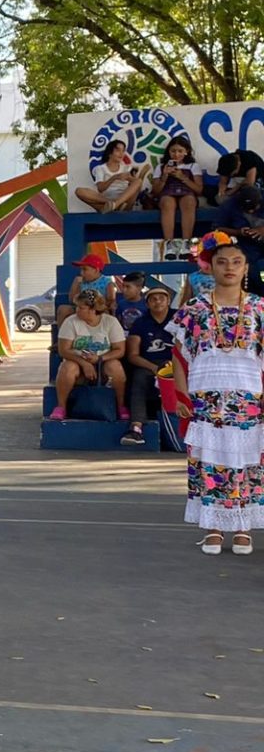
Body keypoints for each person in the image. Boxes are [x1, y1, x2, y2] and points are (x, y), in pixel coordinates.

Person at [168, 234, 264, 554]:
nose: (229, 268)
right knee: (209, 460)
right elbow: (178, 355)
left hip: (249, 397)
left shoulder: (259, 307)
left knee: (246, 460)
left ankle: (242, 527)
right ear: (210, 267)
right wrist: (181, 396)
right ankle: (213, 526)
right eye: (222, 262)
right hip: (204, 397)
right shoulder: (194, 308)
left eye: (237, 262)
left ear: (246, 267)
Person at [49, 291, 129, 422]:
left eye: (81, 308)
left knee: (116, 367)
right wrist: (84, 363)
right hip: (78, 363)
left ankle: (121, 406)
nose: (77, 310)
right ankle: (61, 406)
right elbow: (64, 350)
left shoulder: (110, 322)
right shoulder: (71, 322)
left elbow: (120, 350)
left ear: (93, 309)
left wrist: (100, 359)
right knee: (67, 367)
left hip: (103, 363)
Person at [123, 284, 176, 446]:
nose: (158, 302)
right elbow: (132, 355)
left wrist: (174, 367)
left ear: (168, 301)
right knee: (138, 380)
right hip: (148, 364)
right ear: (147, 304)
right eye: (153, 299)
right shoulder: (141, 323)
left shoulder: (179, 318)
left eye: (162, 298)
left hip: (176, 364)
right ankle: (136, 428)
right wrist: (154, 368)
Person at [149, 137, 203, 258]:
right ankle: (169, 244)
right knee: (167, 203)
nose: (176, 154)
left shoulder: (193, 166)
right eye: (173, 151)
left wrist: (182, 177)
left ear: (186, 151)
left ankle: (186, 243)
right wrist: (164, 176)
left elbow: (199, 190)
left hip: (187, 193)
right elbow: (156, 191)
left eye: (180, 151)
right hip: (167, 194)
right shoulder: (161, 167)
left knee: (189, 202)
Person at [214, 184, 264, 294]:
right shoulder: (229, 205)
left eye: (253, 208)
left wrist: (262, 229)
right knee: (248, 267)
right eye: (247, 209)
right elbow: (217, 229)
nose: (250, 212)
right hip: (244, 243)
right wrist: (238, 232)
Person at [74, 139, 147, 213]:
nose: (121, 154)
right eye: (118, 150)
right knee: (79, 191)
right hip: (105, 202)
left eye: (123, 151)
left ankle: (116, 204)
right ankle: (114, 204)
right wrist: (114, 177)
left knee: (138, 181)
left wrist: (130, 178)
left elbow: (138, 188)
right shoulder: (100, 169)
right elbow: (100, 188)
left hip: (125, 203)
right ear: (110, 153)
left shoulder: (127, 168)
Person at [60, 254, 116, 326]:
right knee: (63, 309)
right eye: (81, 269)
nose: (81, 273)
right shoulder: (81, 282)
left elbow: (111, 300)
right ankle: (63, 334)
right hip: (81, 307)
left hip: (98, 308)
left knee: (105, 314)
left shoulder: (107, 282)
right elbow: (72, 300)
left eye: (85, 269)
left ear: (96, 270)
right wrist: (76, 284)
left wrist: (97, 306)